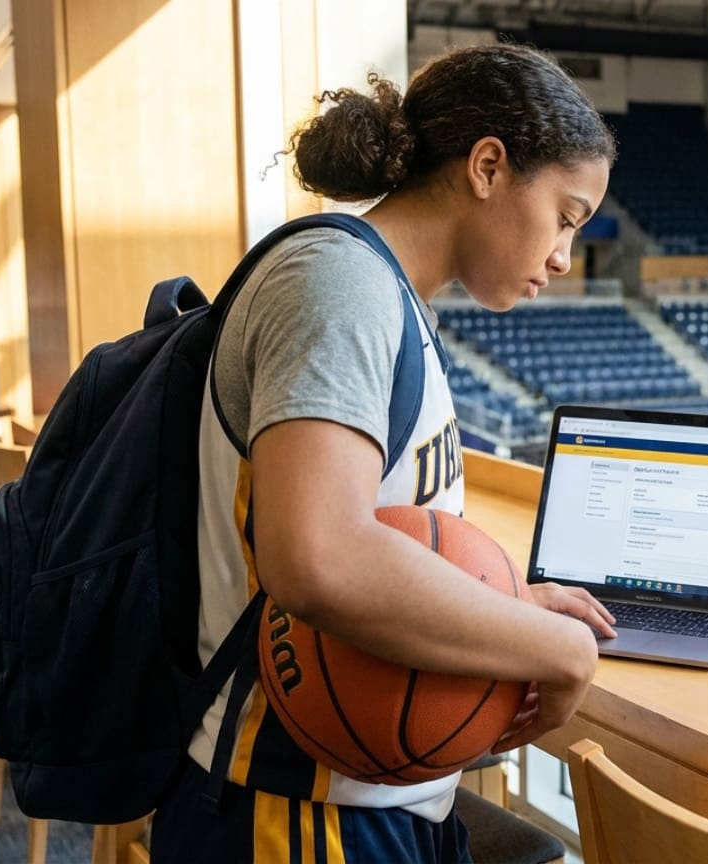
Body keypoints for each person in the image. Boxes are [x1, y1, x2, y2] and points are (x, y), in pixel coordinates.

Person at [150, 44, 618, 863]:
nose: (562, 258)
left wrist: (509, 607)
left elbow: (385, 531)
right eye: (566, 216)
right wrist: (557, 648)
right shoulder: (340, 287)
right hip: (295, 807)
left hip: (362, 798)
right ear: (486, 167)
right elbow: (319, 559)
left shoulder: (385, 293)